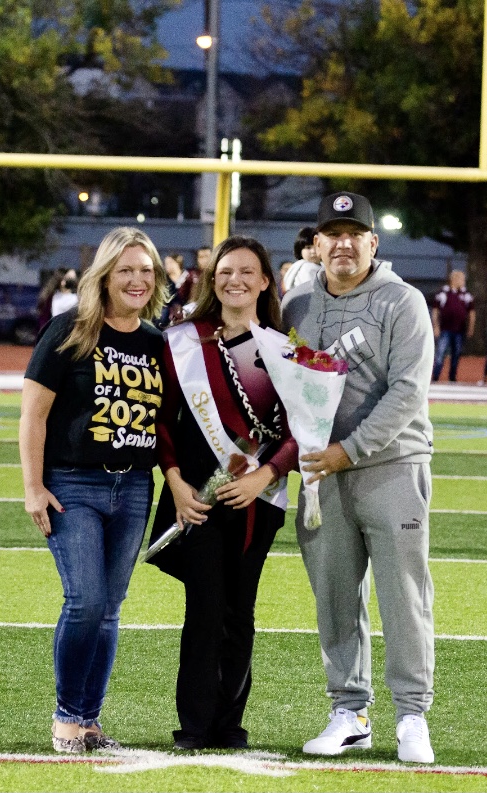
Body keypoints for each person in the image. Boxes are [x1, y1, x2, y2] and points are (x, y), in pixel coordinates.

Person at [281, 191, 436, 764]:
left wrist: (351, 448)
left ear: (374, 242)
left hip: (391, 466)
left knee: (404, 596)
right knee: (334, 597)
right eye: (332, 234)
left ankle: (412, 716)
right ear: (316, 244)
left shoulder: (403, 300)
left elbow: (407, 392)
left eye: (355, 234)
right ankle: (350, 711)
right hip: (323, 472)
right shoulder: (296, 304)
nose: (343, 243)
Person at [19, 227, 167, 754]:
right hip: (72, 483)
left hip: (133, 488)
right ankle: (65, 715)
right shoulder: (70, 330)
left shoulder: (156, 341)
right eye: (126, 270)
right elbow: (33, 414)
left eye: (145, 270)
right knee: (86, 600)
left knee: (110, 608)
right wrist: (33, 486)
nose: (137, 280)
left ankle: (89, 719)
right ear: (104, 275)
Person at [148, 236, 298, 751]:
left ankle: (230, 724)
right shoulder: (182, 340)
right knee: (205, 607)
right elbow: (162, 420)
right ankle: (194, 725)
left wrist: (266, 475)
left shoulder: (284, 349)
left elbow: (303, 428)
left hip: (258, 501)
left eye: (246, 272)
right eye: (225, 272)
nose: (234, 280)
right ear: (214, 281)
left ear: (263, 281)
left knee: (241, 611)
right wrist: (174, 479)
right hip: (199, 498)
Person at [431, 270, 475, 382]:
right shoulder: (443, 293)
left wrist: (471, 327)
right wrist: (436, 326)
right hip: (445, 329)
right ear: (453, 279)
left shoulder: (466, 294)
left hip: (459, 330)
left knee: (456, 354)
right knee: (440, 354)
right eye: (461, 279)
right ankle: (435, 376)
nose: (463, 281)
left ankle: (452, 377)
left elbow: (471, 312)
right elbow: (435, 310)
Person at [281, 227, 321, 292]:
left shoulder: (322, 266)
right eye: (308, 248)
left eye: (317, 247)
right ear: (300, 250)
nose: (313, 251)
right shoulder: (306, 268)